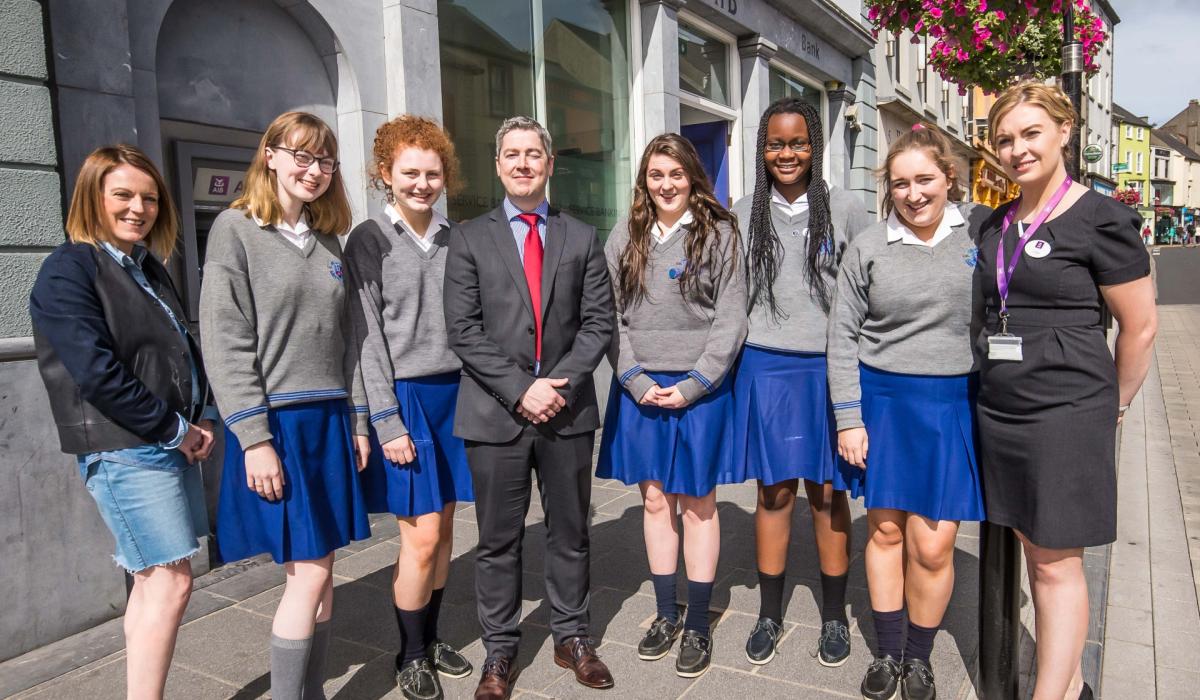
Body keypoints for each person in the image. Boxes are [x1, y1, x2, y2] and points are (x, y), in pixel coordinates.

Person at [978, 83, 1156, 700]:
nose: (1017, 149)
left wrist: (1116, 404)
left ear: (1063, 132)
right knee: (1034, 550)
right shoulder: (998, 222)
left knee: (1056, 564)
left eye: (1031, 133)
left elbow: (1141, 325)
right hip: (1002, 409)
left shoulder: (1101, 218)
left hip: (1067, 410)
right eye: (1005, 138)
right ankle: (1071, 679)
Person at [29, 144, 216, 700]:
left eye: (150, 198)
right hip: (126, 447)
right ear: (92, 197)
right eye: (124, 196)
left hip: (162, 440)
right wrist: (176, 429)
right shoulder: (69, 267)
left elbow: (177, 348)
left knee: (152, 582)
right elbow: (96, 373)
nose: (139, 208)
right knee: (171, 582)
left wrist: (198, 415)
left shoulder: (142, 265)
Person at [199, 111, 372, 700]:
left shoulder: (329, 241)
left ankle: (309, 691)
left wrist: (357, 418)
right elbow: (225, 341)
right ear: (268, 154)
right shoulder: (235, 229)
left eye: (324, 159)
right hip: (278, 423)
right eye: (300, 155)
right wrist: (254, 439)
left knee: (322, 575)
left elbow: (348, 341)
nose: (314, 169)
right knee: (311, 572)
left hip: (328, 420)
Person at [442, 116, 615, 699]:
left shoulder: (582, 237)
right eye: (511, 154)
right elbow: (463, 332)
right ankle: (500, 651)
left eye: (533, 154)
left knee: (570, 533)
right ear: (497, 165)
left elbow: (597, 325)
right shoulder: (467, 238)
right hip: (496, 415)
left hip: (566, 413)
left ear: (549, 164)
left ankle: (572, 637)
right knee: (498, 540)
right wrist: (522, 388)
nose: (522, 163)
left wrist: (557, 384)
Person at [827, 125, 990, 700]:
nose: (914, 193)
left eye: (925, 179)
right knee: (888, 530)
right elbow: (842, 335)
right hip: (883, 404)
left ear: (950, 178)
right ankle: (889, 652)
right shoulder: (868, 246)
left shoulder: (982, 234)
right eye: (901, 183)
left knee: (934, 542)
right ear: (887, 189)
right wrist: (849, 416)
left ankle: (920, 658)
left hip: (950, 406)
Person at [597, 133, 747, 679]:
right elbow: (608, 315)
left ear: (693, 178)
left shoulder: (721, 232)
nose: (666, 185)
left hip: (699, 390)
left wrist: (694, 383)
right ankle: (666, 613)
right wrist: (634, 379)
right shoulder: (627, 232)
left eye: (676, 174)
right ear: (645, 180)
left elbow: (732, 318)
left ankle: (700, 622)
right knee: (656, 500)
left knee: (698, 503)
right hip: (640, 387)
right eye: (656, 175)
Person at [730, 97, 873, 667]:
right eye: (775, 144)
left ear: (815, 145)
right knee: (773, 493)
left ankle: (835, 617)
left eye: (797, 143)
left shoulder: (846, 207)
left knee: (828, 495)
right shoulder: (743, 212)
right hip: (765, 367)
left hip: (828, 366)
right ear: (762, 150)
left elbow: (867, 290)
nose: (786, 153)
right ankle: (770, 613)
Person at [344, 115, 474, 700]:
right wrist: (385, 418)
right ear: (385, 175)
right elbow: (365, 336)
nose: (422, 183)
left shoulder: (457, 236)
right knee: (419, 539)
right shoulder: (368, 240)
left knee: (445, 532)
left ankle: (433, 634)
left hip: (457, 397)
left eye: (432, 172)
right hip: (408, 401)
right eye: (409, 172)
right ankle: (410, 653)